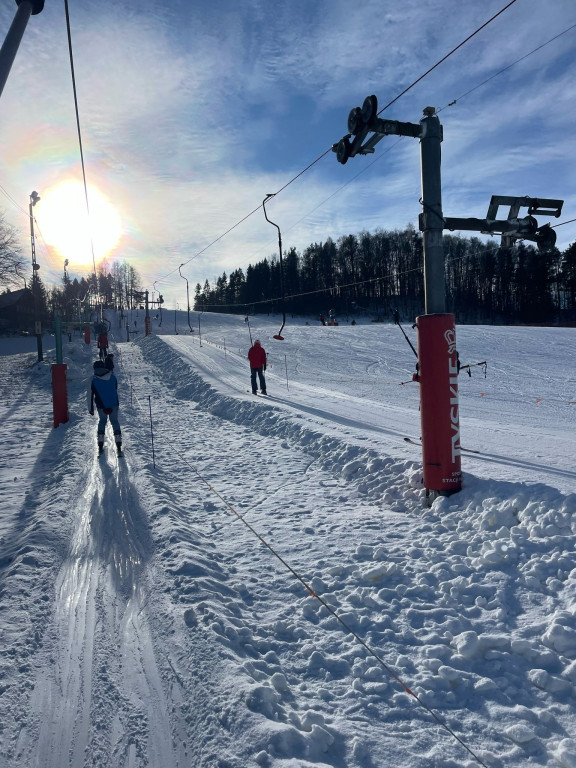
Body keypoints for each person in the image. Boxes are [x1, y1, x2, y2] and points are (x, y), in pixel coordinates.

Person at [89, 360, 122, 455]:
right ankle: (119, 445)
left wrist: (90, 409)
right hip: (113, 404)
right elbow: (115, 388)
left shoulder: (93, 379)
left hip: (101, 405)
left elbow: (90, 395)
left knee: (102, 421)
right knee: (115, 421)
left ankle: (100, 444)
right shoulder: (112, 377)